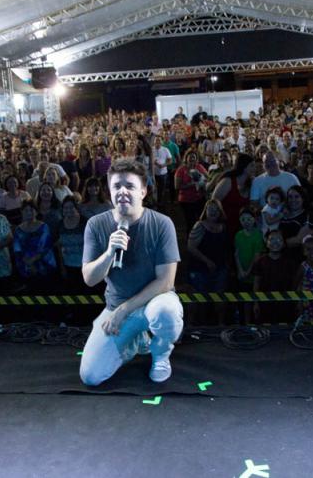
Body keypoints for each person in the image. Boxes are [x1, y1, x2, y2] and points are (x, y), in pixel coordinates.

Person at [79, 158, 182, 386]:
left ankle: (161, 353)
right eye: (117, 186)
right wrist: (109, 252)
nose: (123, 191)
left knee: (166, 311)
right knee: (91, 376)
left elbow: (166, 281)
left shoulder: (162, 223)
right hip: (116, 306)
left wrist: (124, 310)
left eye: (130, 186)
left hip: (152, 303)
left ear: (143, 191)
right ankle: (135, 340)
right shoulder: (96, 225)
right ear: (110, 191)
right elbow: (89, 279)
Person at [186, 199, 229, 324]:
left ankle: (219, 324)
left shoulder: (223, 227)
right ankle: (198, 325)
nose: (213, 212)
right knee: (199, 298)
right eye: (211, 209)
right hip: (200, 268)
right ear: (206, 211)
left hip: (220, 268)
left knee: (220, 298)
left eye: (216, 209)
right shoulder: (199, 225)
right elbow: (190, 247)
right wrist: (207, 261)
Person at [12, 200, 57, 293]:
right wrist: (28, 263)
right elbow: (17, 250)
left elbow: (46, 248)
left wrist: (32, 262)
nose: (29, 212)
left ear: (36, 212)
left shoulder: (44, 227)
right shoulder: (18, 230)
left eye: (31, 210)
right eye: (26, 210)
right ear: (22, 212)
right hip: (25, 267)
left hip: (44, 267)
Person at [57, 196, 86, 294]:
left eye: (71, 207)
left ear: (76, 207)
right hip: (67, 265)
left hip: (84, 265)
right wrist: (62, 266)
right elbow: (59, 246)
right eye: (65, 207)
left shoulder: (85, 222)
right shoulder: (60, 224)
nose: (68, 210)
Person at [174, 150, 208, 233]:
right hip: (186, 200)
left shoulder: (199, 167)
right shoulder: (181, 170)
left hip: (199, 198)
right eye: (190, 157)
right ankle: (190, 238)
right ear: (186, 158)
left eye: (194, 157)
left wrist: (202, 179)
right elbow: (177, 186)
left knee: (201, 219)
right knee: (190, 221)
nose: (192, 159)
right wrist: (191, 184)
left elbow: (208, 177)